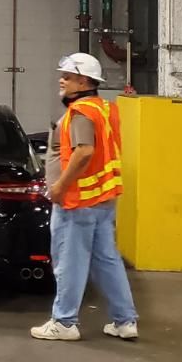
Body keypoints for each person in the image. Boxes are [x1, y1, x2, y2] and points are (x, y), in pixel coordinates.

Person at [30, 52, 140, 343]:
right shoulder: (104, 109)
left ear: (83, 81)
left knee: (69, 262)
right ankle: (125, 320)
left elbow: (84, 152)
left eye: (67, 76)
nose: (61, 80)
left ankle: (64, 322)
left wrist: (60, 187)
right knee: (107, 261)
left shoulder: (80, 113)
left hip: (78, 202)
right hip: (102, 200)